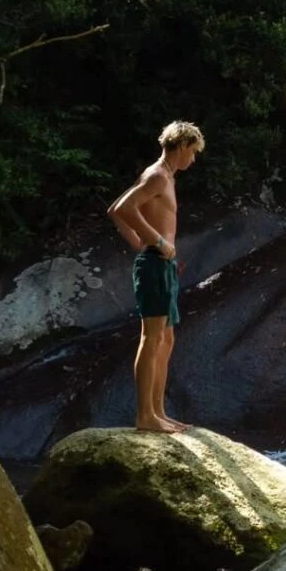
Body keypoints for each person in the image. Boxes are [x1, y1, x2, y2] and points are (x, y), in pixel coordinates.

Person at [107, 121, 205, 432]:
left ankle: (158, 411)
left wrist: (141, 242)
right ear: (182, 145)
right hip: (153, 264)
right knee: (151, 338)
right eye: (193, 151)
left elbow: (114, 210)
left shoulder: (166, 177)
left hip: (162, 265)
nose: (194, 159)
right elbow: (124, 208)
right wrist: (156, 243)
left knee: (166, 338)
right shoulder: (157, 176)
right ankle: (145, 416)